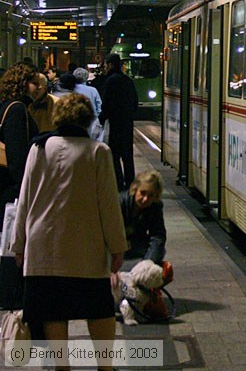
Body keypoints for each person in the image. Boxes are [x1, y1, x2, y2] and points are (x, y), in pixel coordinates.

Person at [11, 94, 127, 369]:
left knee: (53, 311)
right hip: (86, 250)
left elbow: (24, 200)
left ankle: (62, 366)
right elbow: (109, 205)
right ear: (88, 120)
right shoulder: (98, 152)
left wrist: (18, 245)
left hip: (43, 250)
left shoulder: (38, 149)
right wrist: (117, 246)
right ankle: (105, 366)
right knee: (98, 309)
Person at [0, 63, 41, 205]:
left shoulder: (6, 105)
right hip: (10, 187)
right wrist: (23, 186)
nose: (39, 87)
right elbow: (17, 154)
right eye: (34, 83)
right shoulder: (17, 109)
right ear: (22, 83)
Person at [99, 53, 138, 189]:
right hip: (127, 122)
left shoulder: (110, 81)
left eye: (105, 65)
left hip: (114, 124)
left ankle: (119, 182)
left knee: (114, 155)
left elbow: (107, 104)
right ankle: (130, 182)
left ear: (110, 65)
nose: (104, 68)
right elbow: (135, 103)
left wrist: (101, 119)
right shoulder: (128, 80)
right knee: (128, 155)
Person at [120, 170, 167, 264]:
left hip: (136, 244)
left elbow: (158, 235)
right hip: (117, 245)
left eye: (151, 196)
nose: (145, 199)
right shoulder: (119, 203)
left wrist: (148, 262)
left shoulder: (155, 206)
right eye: (142, 193)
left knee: (159, 250)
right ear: (134, 189)